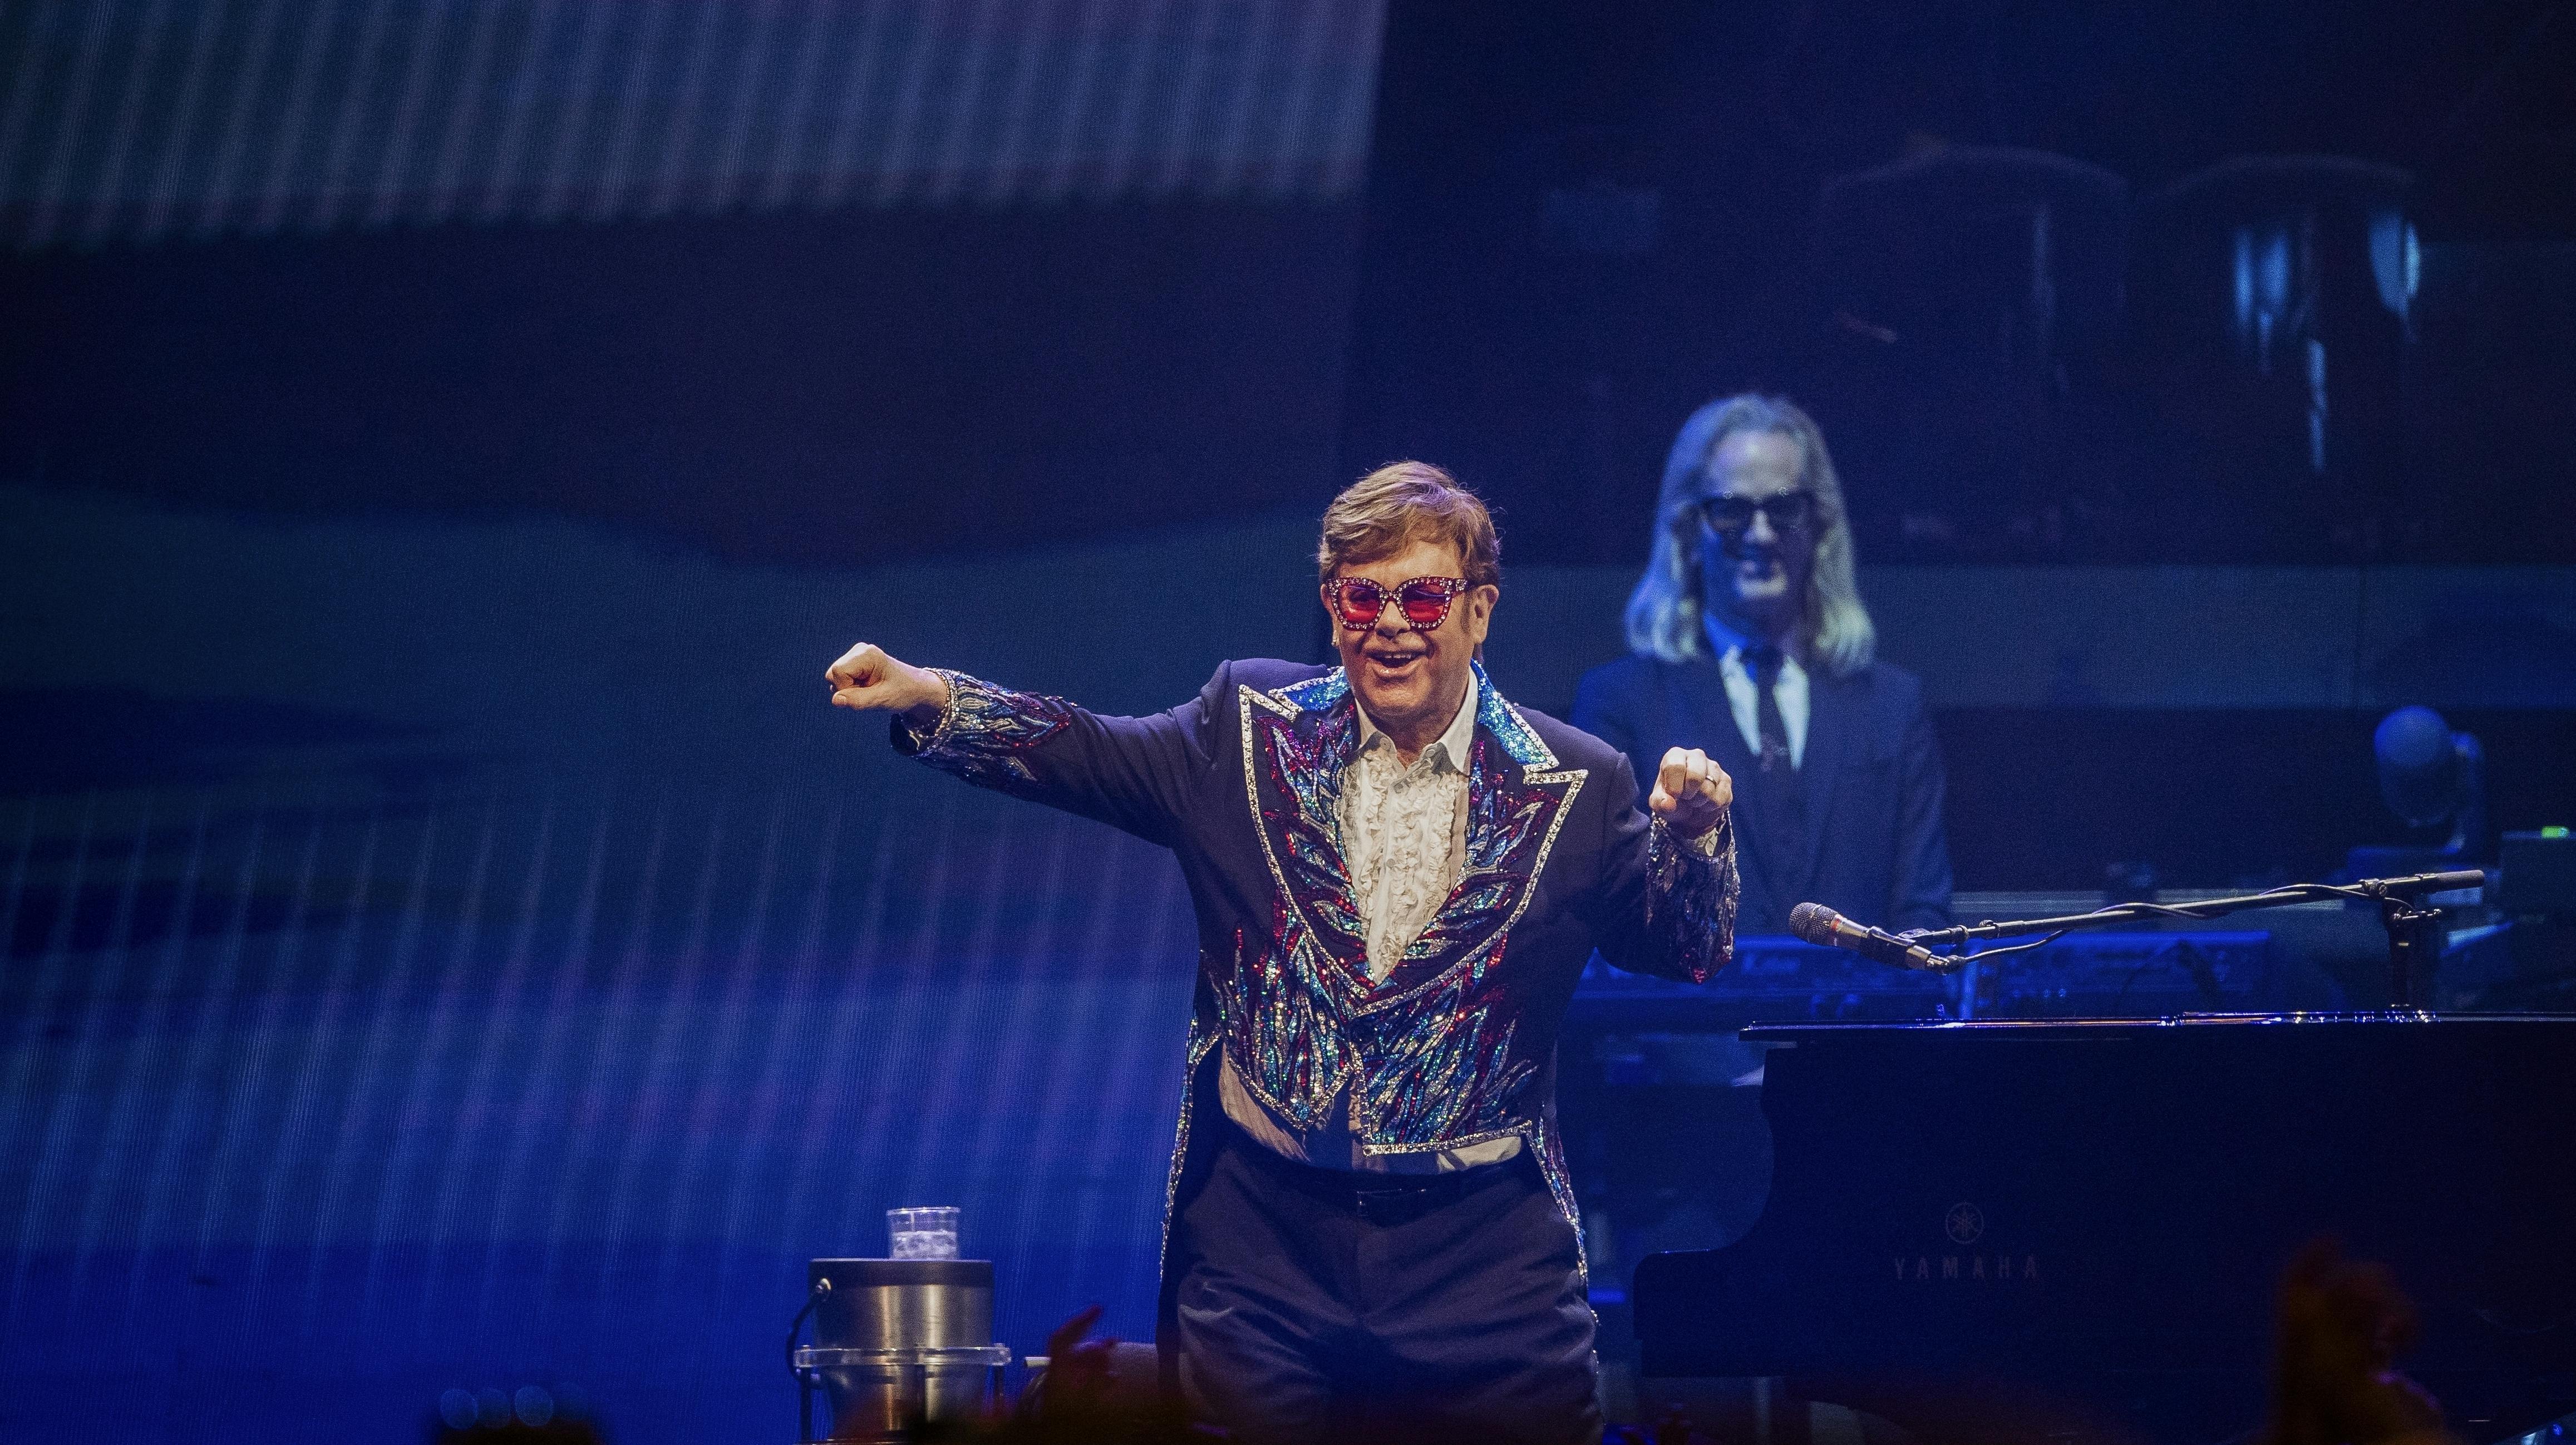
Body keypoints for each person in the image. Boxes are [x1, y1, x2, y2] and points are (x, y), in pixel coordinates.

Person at [827, 463, 1738, 1443]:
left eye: (1422, 595)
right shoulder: (1243, 729)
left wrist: (1690, 844)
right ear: (1330, 606)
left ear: (1477, 612)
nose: (1390, 623)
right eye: (1361, 596)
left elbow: (1684, 951)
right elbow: (1085, 750)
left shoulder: (1575, 783)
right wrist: (931, 698)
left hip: (1481, 1266)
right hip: (1264, 1257)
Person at [1574, 394, 1951, 937]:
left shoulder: (1892, 706)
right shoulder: (1621, 704)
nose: (1761, 534)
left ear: (1820, 525)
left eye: (1783, 508)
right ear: (1688, 530)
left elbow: (1923, 915)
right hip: (1687, 1020)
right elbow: (1609, 914)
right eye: (1730, 511)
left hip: (1856, 1018)